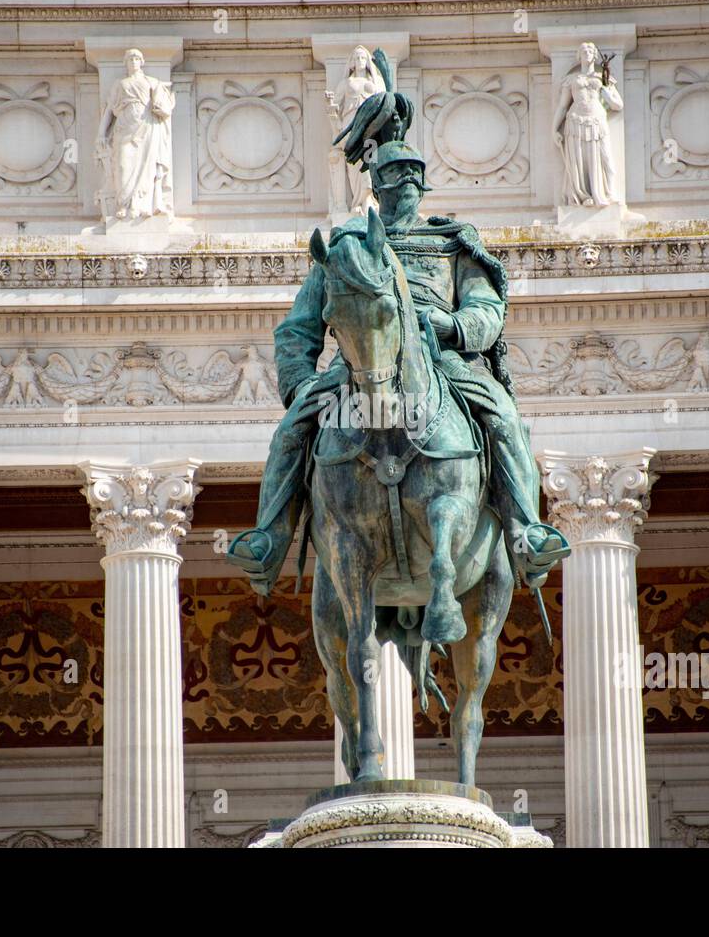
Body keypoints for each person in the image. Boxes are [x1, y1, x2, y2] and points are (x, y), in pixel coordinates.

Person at [227, 139, 569, 597]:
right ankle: (269, 539)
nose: (405, 180)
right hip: (358, 362)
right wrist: (302, 385)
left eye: (413, 171)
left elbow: (486, 309)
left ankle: (527, 531)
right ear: (375, 184)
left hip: (442, 359)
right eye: (395, 172)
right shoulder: (344, 249)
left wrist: (450, 323)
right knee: (293, 428)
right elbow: (298, 330)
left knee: (503, 417)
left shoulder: (451, 243)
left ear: (424, 182)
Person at [95, 48, 175, 219]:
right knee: (123, 166)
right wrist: (101, 133)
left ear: (142, 62)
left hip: (147, 127)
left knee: (147, 168)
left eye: (136, 58)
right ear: (125, 63)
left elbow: (165, 108)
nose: (133, 62)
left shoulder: (152, 82)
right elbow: (110, 109)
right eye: (130, 59)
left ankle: (141, 205)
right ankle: (123, 204)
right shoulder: (120, 84)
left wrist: (161, 107)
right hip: (124, 128)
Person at [552, 42, 623, 207]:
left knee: (607, 162)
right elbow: (563, 106)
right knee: (579, 163)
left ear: (595, 55)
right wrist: (554, 129)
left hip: (597, 121)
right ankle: (583, 196)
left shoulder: (603, 78)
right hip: (575, 122)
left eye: (590, 50)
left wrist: (607, 94)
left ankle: (608, 194)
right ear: (578, 55)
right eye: (583, 50)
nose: (587, 52)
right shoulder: (571, 80)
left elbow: (618, 105)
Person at [324, 45, 386, 214]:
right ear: (351, 63)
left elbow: (385, 102)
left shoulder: (376, 82)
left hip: (371, 125)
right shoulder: (346, 83)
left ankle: (370, 199)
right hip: (351, 124)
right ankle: (358, 201)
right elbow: (335, 106)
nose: (360, 61)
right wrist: (330, 104)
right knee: (355, 164)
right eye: (357, 58)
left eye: (363, 58)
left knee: (371, 161)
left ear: (367, 62)